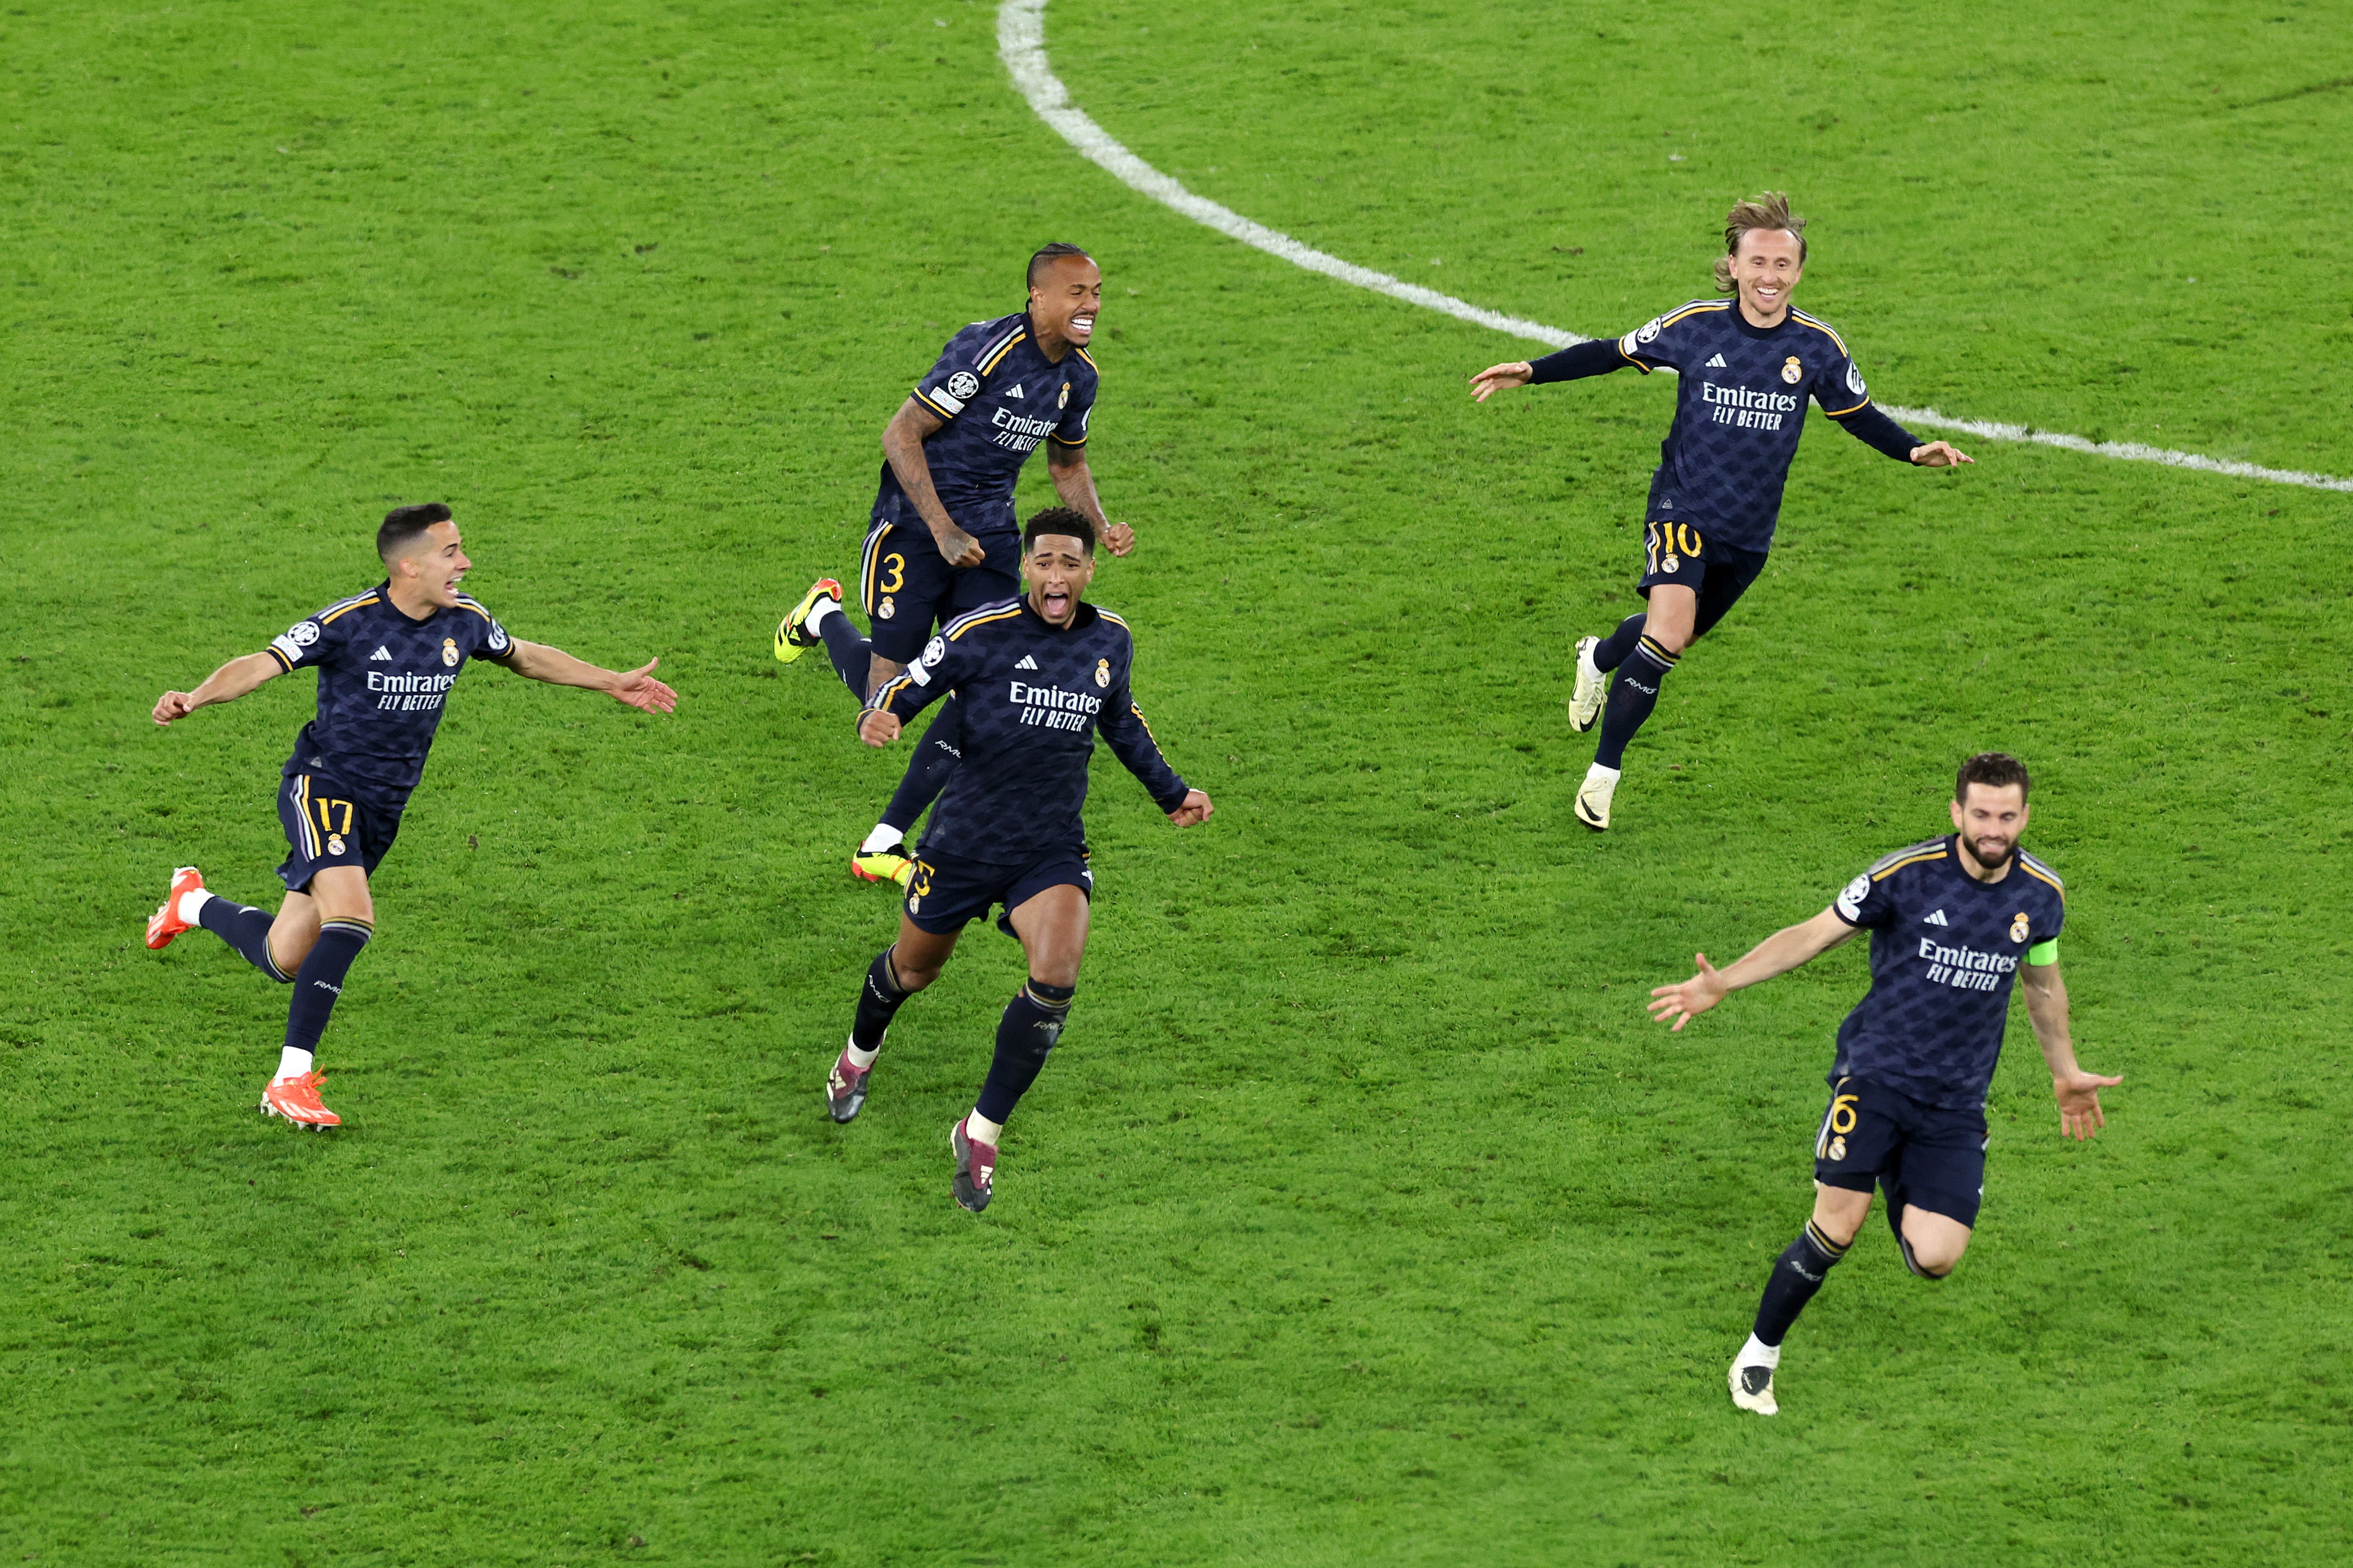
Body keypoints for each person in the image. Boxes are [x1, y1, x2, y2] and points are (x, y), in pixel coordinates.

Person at [144, 503, 678, 1128]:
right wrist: (195, 697)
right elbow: (261, 663)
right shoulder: (348, 623)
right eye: (451, 552)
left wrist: (610, 680)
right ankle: (290, 1079)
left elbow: (526, 655)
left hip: (382, 809)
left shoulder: (468, 621)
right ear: (408, 564)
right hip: (323, 787)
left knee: (285, 957)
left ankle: (193, 904)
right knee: (353, 914)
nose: (466, 562)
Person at [1469, 192, 1973, 831]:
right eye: (1758, 261)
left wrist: (1911, 451)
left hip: (1749, 532)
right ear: (1733, 266)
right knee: (1669, 631)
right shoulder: (1696, 326)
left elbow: (1857, 415)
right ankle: (1603, 777)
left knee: (1666, 640)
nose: (1771, 275)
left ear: (1798, 272)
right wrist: (1533, 372)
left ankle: (1598, 657)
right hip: (1682, 505)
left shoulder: (1817, 347)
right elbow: (1612, 352)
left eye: (1783, 265)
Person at [1644, 753, 2120, 1416]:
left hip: (1956, 1100)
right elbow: (1813, 935)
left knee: (1936, 1258)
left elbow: (2042, 986)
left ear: (2025, 816)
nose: (1993, 828)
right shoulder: (1904, 876)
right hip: (1877, 1075)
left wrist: (2065, 1071)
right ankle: (1759, 1354)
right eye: (1980, 813)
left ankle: (1897, 1172)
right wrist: (1724, 979)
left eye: (2006, 815)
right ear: (1957, 812)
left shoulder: (2041, 896)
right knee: (1837, 1225)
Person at [822, 507, 1211, 1213]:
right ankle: (857, 1056)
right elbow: (903, 688)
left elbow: (1121, 720)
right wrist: (876, 715)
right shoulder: (980, 632)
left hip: (1048, 847)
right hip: (964, 843)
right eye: (1044, 562)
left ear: (1090, 569)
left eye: (1070, 563)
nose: (1056, 576)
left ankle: (979, 1131)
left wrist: (1172, 792)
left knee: (1056, 975)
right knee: (913, 971)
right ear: (1027, 567)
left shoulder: (1110, 640)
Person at [773, 242, 1135, 889]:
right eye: (1078, 294)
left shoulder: (1080, 377)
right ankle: (823, 614)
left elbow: (1066, 464)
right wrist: (940, 529)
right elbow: (900, 434)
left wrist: (1101, 527)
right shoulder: (987, 351)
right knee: (883, 701)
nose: (1092, 306)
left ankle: (885, 840)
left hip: (991, 535)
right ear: (1039, 298)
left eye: (1098, 292)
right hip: (915, 524)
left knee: (983, 683)